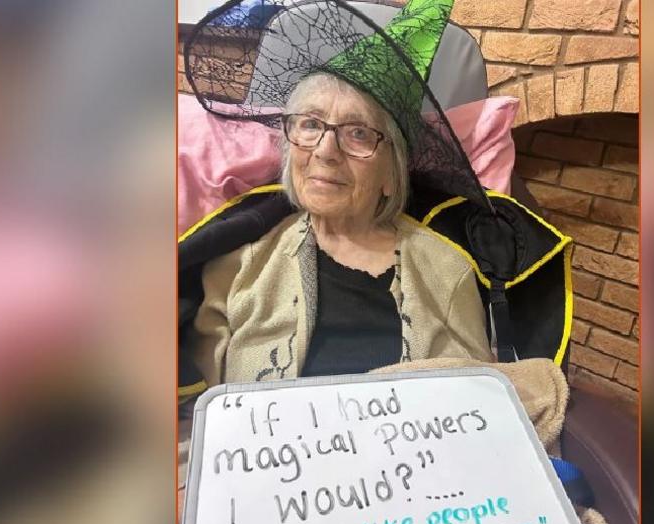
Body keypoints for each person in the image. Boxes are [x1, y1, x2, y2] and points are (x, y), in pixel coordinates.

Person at [191, 72, 493, 385]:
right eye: (310, 124)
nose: (325, 151)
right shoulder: (238, 264)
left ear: (391, 175)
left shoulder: (446, 269)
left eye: (358, 133)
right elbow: (201, 410)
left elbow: (482, 399)